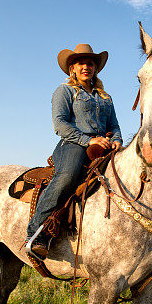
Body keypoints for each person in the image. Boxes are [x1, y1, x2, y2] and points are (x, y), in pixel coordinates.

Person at [25, 43, 123, 260]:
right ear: (72, 68)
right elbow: (59, 124)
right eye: (81, 63)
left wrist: (116, 140)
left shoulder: (105, 97)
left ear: (96, 68)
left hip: (104, 146)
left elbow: (114, 125)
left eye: (90, 63)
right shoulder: (65, 91)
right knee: (68, 175)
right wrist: (88, 140)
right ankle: (36, 232)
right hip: (73, 145)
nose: (86, 66)